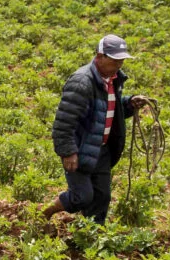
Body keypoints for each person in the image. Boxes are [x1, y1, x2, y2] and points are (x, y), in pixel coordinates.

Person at [43, 35, 147, 224]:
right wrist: (68, 152)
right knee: (82, 197)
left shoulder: (112, 80)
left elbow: (106, 111)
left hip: (102, 150)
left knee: (102, 198)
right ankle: (47, 211)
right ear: (100, 56)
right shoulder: (82, 82)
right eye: (115, 60)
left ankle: (92, 239)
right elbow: (64, 123)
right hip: (81, 149)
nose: (119, 65)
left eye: (122, 60)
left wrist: (129, 105)